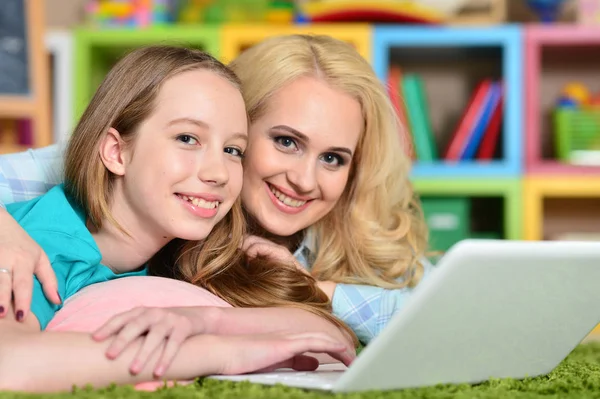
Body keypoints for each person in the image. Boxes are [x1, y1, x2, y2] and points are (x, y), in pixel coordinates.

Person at [0, 34, 432, 346]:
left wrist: (317, 290)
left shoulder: (347, 229)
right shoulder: (126, 172)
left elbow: (450, 316)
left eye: (333, 158)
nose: (304, 180)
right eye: (286, 141)